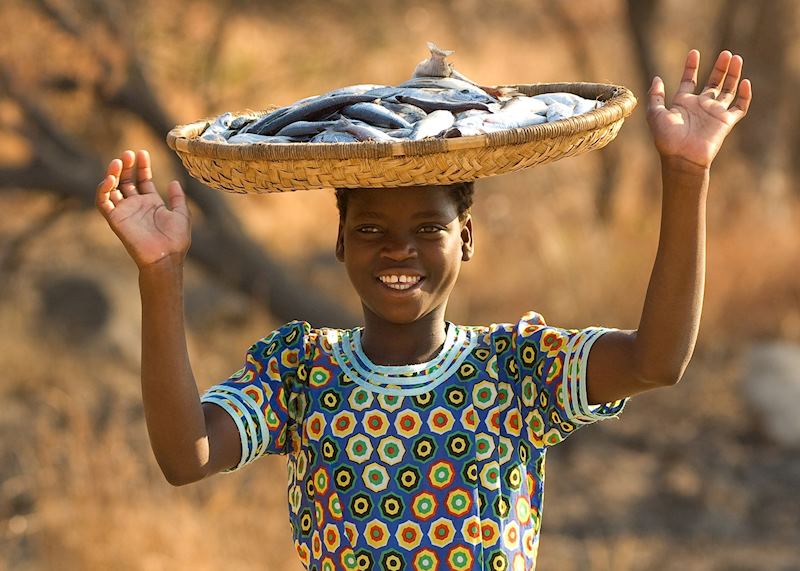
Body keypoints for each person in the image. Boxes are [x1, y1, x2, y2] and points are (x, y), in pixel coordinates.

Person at [95, 50, 751, 570]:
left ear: (465, 239)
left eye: (428, 229)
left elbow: (656, 361)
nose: (399, 251)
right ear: (340, 240)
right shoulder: (301, 371)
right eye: (373, 229)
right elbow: (187, 456)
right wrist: (161, 273)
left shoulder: (518, 368)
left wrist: (686, 175)